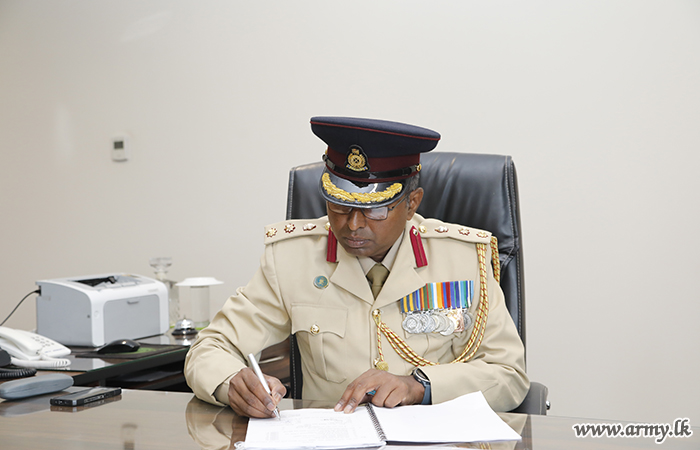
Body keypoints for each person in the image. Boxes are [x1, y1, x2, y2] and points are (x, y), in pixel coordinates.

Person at [184, 116, 529, 418]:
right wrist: (232, 383)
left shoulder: (463, 259)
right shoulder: (292, 258)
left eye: (375, 210)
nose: (352, 225)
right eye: (339, 206)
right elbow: (209, 349)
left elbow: (509, 375)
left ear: (412, 203)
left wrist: (420, 387)